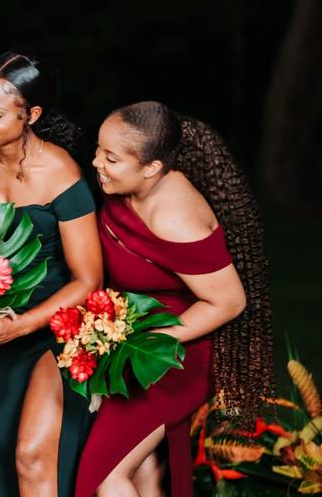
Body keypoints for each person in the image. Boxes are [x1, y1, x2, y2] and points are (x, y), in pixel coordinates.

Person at [75, 101, 270, 497]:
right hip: (132, 341)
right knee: (144, 468)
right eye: (98, 149)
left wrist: (147, 340)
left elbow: (230, 301)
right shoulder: (127, 185)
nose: (96, 162)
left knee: (103, 477)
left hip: (173, 357)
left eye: (110, 158)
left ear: (152, 168)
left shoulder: (175, 217)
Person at [0, 52, 102, 497]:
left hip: (56, 327)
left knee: (33, 455)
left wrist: (19, 326)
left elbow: (88, 279)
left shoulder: (60, 173)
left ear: (31, 116)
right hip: (0, 325)